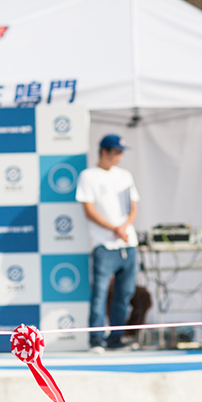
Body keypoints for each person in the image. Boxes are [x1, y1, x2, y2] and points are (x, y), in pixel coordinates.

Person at [76, 134, 140, 353]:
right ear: (104, 152)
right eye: (116, 152)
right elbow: (89, 211)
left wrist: (123, 227)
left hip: (127, 243)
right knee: (100, 293)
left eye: (121, 152)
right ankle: (96, 339)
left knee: (125, 294)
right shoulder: (88, 176)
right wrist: (114, 228)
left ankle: (115, 338)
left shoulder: (125, 175)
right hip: (103, 244)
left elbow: (133, 208)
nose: (119, 157)